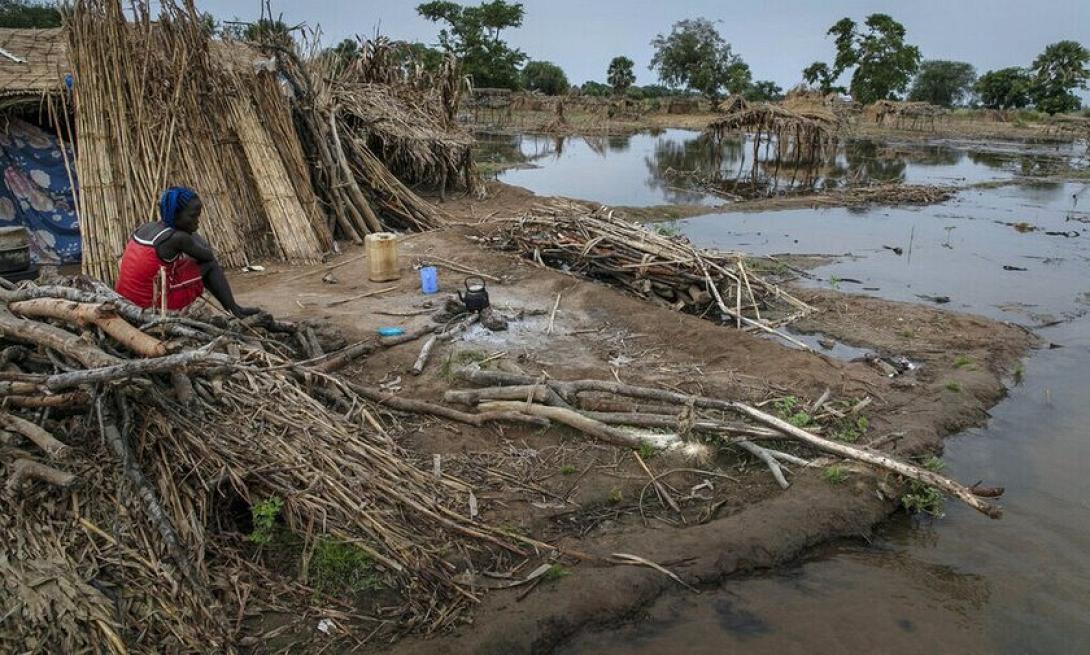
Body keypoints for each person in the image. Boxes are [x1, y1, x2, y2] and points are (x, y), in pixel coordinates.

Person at [115, 186, 259, 317]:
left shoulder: (147, 227)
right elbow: (208, 255)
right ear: (175, 215)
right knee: (210, 265)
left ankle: (234, 309)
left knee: (185, 265)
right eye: (193, 216)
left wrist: (186, 226)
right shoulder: (178, 237)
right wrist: (191, 232)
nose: (197, 221)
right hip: (149, 305)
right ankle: (235, 310)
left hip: (126, 298)